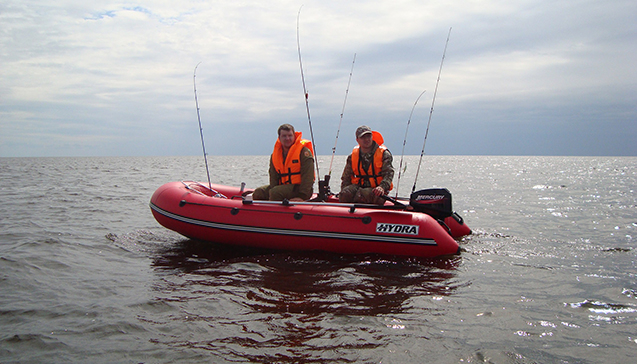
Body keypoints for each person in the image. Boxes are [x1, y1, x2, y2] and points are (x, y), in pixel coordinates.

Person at [252, 124, 315, 201]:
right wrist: (272, 189)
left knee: (276, 192)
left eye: (290, 135)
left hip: (299, 189)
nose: (287, 138)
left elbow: (308, 176)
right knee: (259, 192)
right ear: (279, 138)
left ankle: (275, 212)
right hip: (283, 187)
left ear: (294, 136)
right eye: (284, 136)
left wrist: (302, 196)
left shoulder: (303, 152)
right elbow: (273, 176)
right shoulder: (275, 155)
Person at [339, 125, 394, 205]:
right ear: (357, 140)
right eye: (363, 137)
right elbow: (346, 177)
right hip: (359, 187)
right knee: (345, 193)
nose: (366, 139)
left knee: (367, 194)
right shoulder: (352, 156)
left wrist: (382, 187)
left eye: (368, 136)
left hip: (376, 189)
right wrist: (343, 192)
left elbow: (389, 174)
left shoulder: (384, 154)